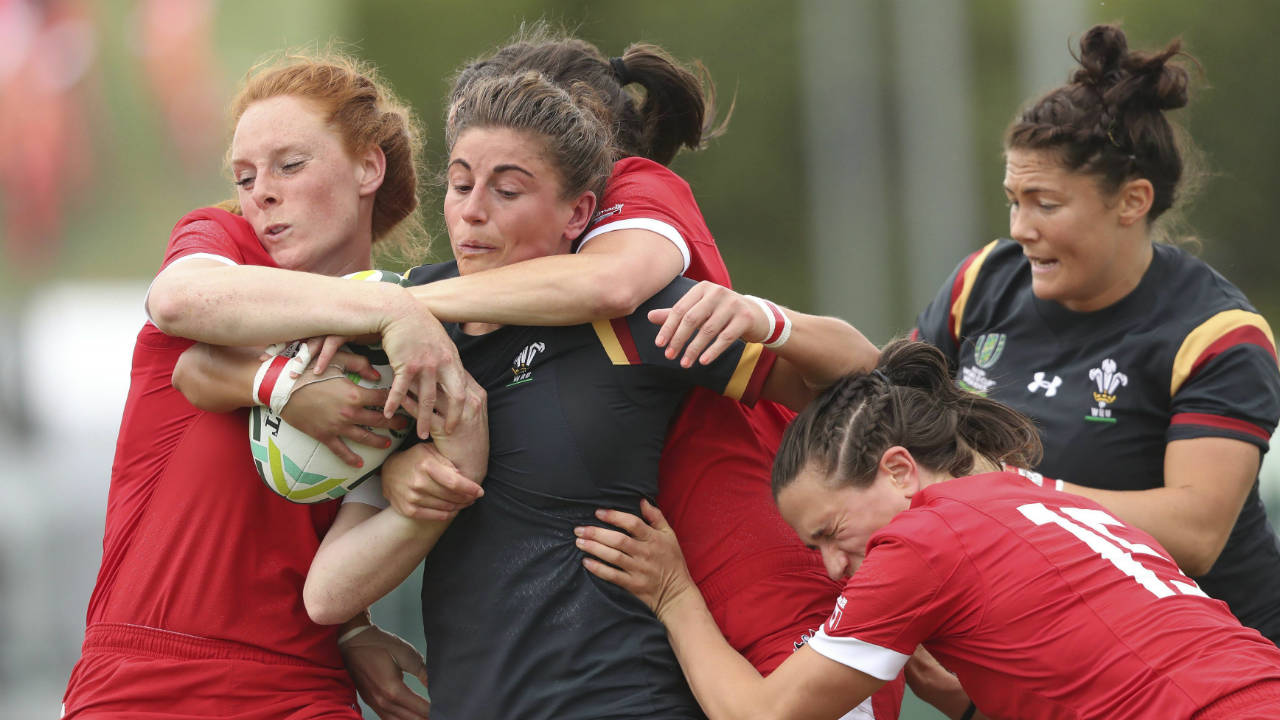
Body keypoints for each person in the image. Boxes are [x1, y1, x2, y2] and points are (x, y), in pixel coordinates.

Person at [302, 69, 878, 720]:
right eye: (460, 184)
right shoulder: (403, 325)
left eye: (507, 189)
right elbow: (327, 595)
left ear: (578, 213)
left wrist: (770, 319)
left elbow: (861, 376)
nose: (472, 210)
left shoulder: (632, 317)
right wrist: (413, 497)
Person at [60, 51, 468, 719]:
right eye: (246, 175)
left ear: (369, 167)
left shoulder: (411, 344)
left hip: (299, 687)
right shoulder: (222, 248)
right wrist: (312, 365)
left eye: (289, 164)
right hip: (141, 681)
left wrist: (356, 623)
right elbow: (175, 301)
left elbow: (337, 537)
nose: (260, 193)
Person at [575, 339, 1280, 720]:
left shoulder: (924, 542)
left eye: (829, 531)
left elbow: (768, 715)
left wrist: (674, 595)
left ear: (901, 470)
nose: (830, 567)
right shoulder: (1039, 497)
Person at [912, 24, 1280, 645]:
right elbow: (895, 427)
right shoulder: (980, 284)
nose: (1021, 228)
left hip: (1208, 663)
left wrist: (1012, 491)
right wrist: (775, 328)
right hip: (1047, 656)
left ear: (1132, 201)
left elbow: (1195, 535)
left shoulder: (1215, 334)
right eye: (1013, 201)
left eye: (1045, 204)